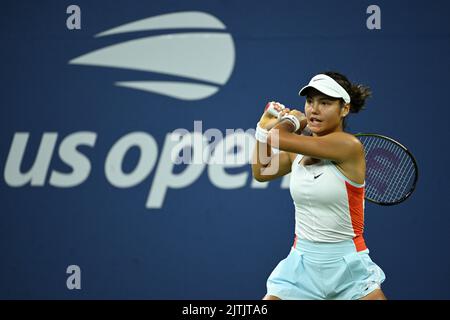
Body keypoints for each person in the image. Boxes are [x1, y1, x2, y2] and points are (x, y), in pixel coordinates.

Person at [251, 72, 386, 300]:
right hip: (301, 266)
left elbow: (278, 137)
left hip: (349, 269)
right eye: (310, 101)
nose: (314, 109)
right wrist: (262, 128)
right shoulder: (298, 152)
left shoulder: (348, 145)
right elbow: (262, 171)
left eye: (325, 103)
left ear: (344, 109)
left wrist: (293, 120)